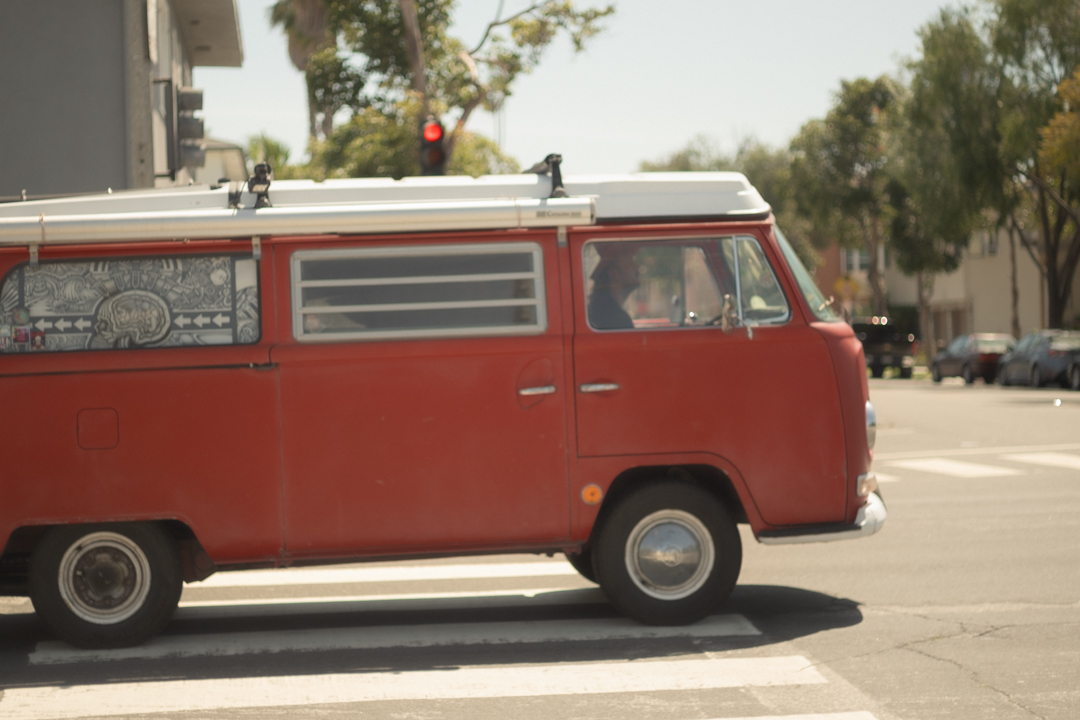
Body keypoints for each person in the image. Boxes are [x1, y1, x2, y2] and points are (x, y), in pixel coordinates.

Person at [588, 246, 640, 330]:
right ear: (614, 274)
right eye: (629, 263)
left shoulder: (597, 312)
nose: (637, 266)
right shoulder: (617, 320)